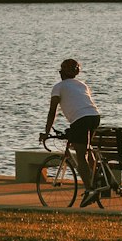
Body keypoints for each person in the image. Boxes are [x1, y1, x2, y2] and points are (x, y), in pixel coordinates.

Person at [41, 59, 103, 208]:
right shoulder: (82, 85)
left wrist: (46, 131)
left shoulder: (58, 87)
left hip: (80, 120)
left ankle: (90, 190)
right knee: (86, 148)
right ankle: (98, 178)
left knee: (80, 156)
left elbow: (52, 111)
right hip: (94, 117)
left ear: (62, 73)